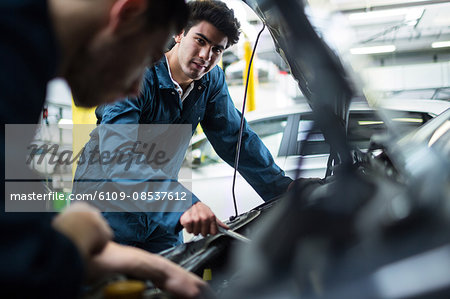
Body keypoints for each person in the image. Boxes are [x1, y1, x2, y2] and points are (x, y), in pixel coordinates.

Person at [1, 0, 209, 298]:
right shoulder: (11, 60)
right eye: (146, 59)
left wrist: (156, 268)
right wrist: (80, 225)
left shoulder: (22, 52)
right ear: (128, 13)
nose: (136, 89)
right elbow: (23, 267)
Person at [73, 0, 293, 253]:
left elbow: (235, 139)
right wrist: (182, 204)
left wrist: (283, 187)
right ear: (179, 33)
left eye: (216, 50)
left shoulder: (210, 81)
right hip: (106, 213)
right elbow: (119, 156)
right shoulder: (137, 72)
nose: (205, 56)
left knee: (181, 282)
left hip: (159, 220)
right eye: (200, 40)